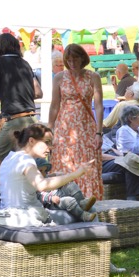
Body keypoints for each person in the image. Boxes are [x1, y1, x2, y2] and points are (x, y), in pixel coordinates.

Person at [0, 123, 95, 226]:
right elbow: (42, 185)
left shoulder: (9, 158)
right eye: (47, 142)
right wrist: (76, 174)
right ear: (31, 141)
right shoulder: (26, 160)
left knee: (75, 206)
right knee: (91, 210)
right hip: (29, 217)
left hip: (11, 214)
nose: (50, 147)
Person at [0, 32, 43, 180]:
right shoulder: (25, 64)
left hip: (14, 121)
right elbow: (38, 93)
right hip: (32, 120)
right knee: (29, 165)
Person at [48, 44, 104, 200]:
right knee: (65, 162)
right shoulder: (59, 77)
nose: (72, 63)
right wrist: (49, 129)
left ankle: (88, 198)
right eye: (69, 60)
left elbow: (99, 106)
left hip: (86, 127)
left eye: (75, 59)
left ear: (82, 58)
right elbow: (54, 105)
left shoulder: (93, 77)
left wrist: (99, 132)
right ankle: (65, 199)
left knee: (87, 163)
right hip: (64, 127)